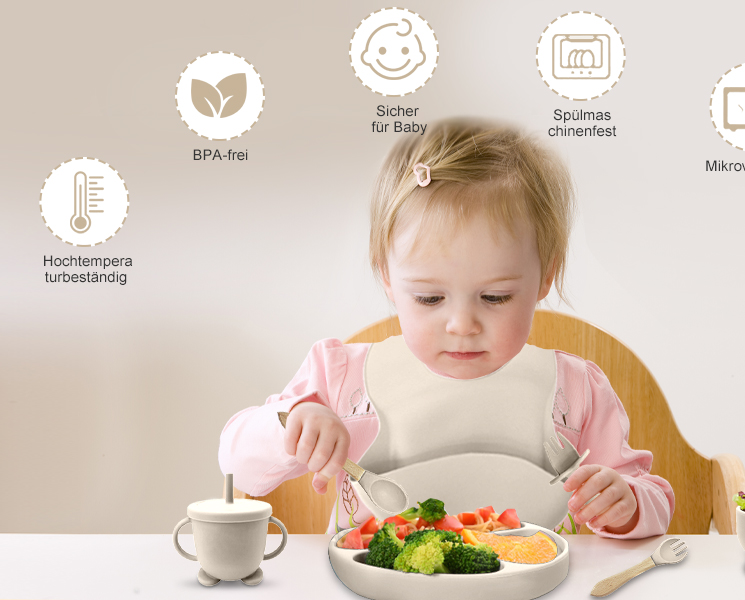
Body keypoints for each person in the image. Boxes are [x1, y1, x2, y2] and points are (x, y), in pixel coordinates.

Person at [219, 119, 674, 538]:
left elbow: (652, 496)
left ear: (545, 276)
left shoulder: (576, 391)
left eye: (495, 297)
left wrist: (627, 503)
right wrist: (291, 425)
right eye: (429, 299)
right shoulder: (340, 377)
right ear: (387, 277)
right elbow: (236, 461)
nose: (462, 325)